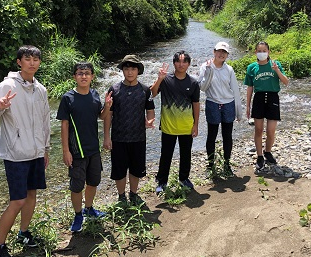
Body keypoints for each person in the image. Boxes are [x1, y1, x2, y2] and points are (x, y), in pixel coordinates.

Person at [0, 45, 50, 257]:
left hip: (36, 152)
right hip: (15, 153)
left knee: (31, 196)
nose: (32, 62)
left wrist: (46, 149)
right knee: (17, 200)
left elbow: (45, 122)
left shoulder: (41, 90)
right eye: (27, 59)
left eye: (35, 59)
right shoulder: (8, 85)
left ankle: (23, 234)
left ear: (39, 63)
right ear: (19, 62)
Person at [56, 62, 112, 233]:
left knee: (94, 181)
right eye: (80, 73)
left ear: (92, 77)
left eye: (87, 73)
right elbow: (64, 125)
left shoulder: (94, 95)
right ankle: (78, 214)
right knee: (77, 185)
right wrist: (66, 150)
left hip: (93, 148)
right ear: (74, 77)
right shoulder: (68, 98)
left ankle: (89, 209)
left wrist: (107, 106)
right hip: (76, 150)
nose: (84, 76)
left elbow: (101, 116)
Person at [103, 55, 155, 206]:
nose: (130, 72)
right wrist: (107, 137)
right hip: (118, 137)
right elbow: (108, 116)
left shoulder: (145, 90)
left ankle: (133, 194)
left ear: (138, 71)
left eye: (133, 69)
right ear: (122, 71)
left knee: (136, 169)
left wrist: (149, 121)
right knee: (119, 170)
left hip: (138, 137)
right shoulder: (114, 89)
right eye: (127, 69)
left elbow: (150, 111)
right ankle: (121, 197)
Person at [151, 50, 200, 193]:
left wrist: (196, 124)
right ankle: (162, 181)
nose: (181, 64)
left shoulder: (193, 82)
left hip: (186, 126)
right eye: (178, 61)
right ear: (174, 63)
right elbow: (152, 94)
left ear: (189, 64)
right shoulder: (166, 80)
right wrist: (159, 78)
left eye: (184, 61)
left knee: (186, 154)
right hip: (168, 126)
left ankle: (184, 178)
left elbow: (196, 104)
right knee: (166, 154)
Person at [198, 42, 242, 176]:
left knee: (227, 135)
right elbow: (202, 87)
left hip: (228, 104)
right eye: (219, 51)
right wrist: (209, 72)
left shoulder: (229, 69)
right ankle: (210, 165)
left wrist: (238, 111)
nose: (221, 54)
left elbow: (235, 90)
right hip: (212, 103)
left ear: (227, 55)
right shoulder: (205, 66)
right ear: (214, 52)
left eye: (224, 52)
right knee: (211, 135)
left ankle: (227, 164)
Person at [244, 41, 289, 172]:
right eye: (259, 50)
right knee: (258, 130)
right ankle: (259, 156)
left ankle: (268, 151)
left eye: (264, 50)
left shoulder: (276, 64)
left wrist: (277, 70)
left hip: (273, 98)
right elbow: (249, 88)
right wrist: (247, 106)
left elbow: (286, 82)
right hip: (258, 98)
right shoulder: (252, 67)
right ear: (255, 52)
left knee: (270, 130)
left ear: (268, 51)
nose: (262, 53)